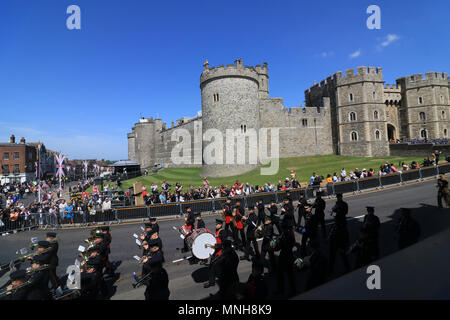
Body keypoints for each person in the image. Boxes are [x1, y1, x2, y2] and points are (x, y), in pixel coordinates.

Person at [204, 219, 227, 289]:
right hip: (215, 252)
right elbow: (216, 238)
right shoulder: (217, 230)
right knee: (212, 267)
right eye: (216, 224)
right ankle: (212, 282)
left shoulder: (223, 232)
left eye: (217, 224)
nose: (216, 225)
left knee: (218, 268)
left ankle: (221, 282)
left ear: (220, 225)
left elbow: (223, 244)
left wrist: (215, 246)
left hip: (220, 253)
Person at [275, 222, 296, 297]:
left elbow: (282, 246)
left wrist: (277, 243)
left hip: (286, 256)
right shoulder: (287, 234)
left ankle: (291, 290)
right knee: (282, 274)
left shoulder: (287, 235)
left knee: (288, 274)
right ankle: (282, 289)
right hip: (285, 256)